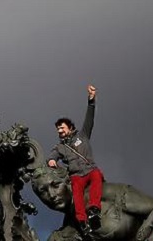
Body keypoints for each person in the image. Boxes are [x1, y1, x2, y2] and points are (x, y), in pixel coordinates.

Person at [31, 166, 153, 241]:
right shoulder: (64, 235)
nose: (51, 195)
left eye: (55, 185)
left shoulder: (107, 193)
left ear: (70, 183)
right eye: (43, 192)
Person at [47, 84, 103, 234]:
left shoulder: (82, 135)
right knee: (76, 189)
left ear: (70, 128)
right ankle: (82, 221)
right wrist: (51, 161)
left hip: (90, 169)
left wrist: (91, 100)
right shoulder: (60, 147)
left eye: (62, 128)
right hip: (77, 174)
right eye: (58, 129)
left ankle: (94, 210)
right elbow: (52, 156)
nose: (60, 131)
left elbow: (89, 118)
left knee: (97, 176)